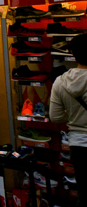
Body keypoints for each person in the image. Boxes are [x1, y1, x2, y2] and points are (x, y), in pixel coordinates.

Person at [50, 33, 87, 207]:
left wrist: (72, 116)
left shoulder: (60, 82)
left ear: (72, 54)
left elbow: (56, 116)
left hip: (78, 143)